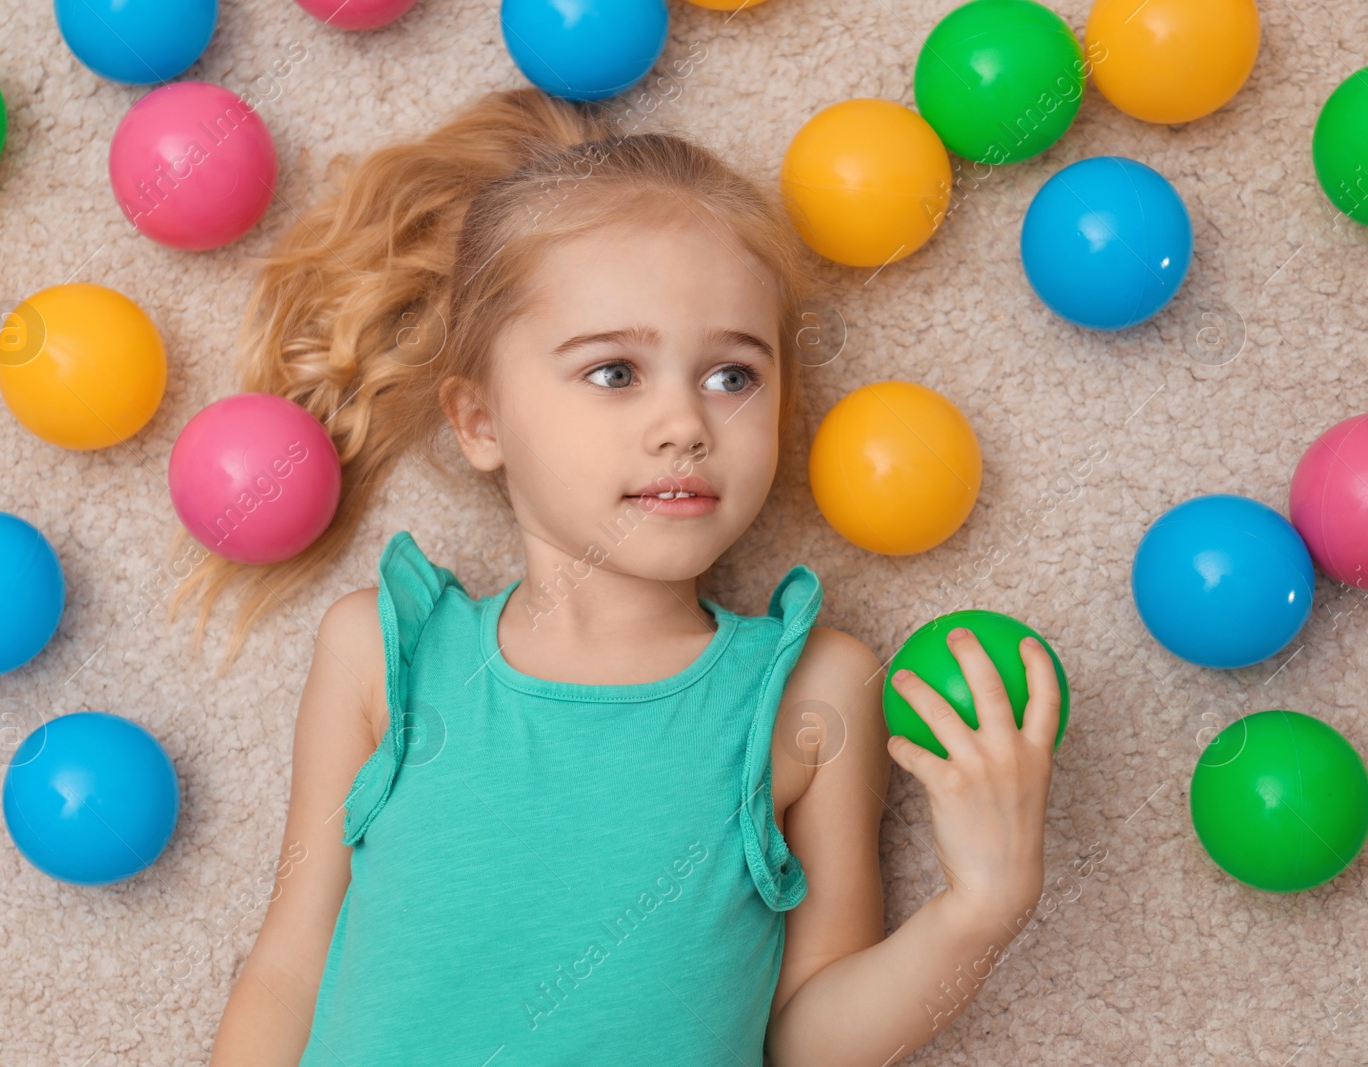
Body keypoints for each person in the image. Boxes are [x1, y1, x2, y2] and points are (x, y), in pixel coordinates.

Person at [195, 86, 1062, 1066]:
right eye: (614, 371)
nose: (686, 424)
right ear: (479, 420)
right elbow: (289, 967)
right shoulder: (382, 654)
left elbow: (809, 1039)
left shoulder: (813, 692)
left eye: (732, 375)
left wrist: (980, 910)